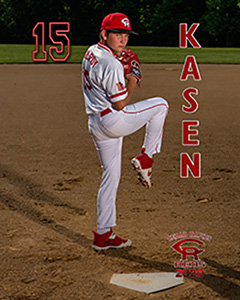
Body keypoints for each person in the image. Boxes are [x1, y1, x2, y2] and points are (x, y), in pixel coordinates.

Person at [82, 12, 169, 251]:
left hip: (96, 124)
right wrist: (132, 77)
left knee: (111, 177)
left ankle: (103, 234)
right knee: (161, 105)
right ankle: (146, 157)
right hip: (112, 120)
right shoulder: (110, 63)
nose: (123, 40)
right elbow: (120, 104)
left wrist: (121, 65)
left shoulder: (91, 51)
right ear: (104, 34)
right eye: (117, 34)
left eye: (126, 35)